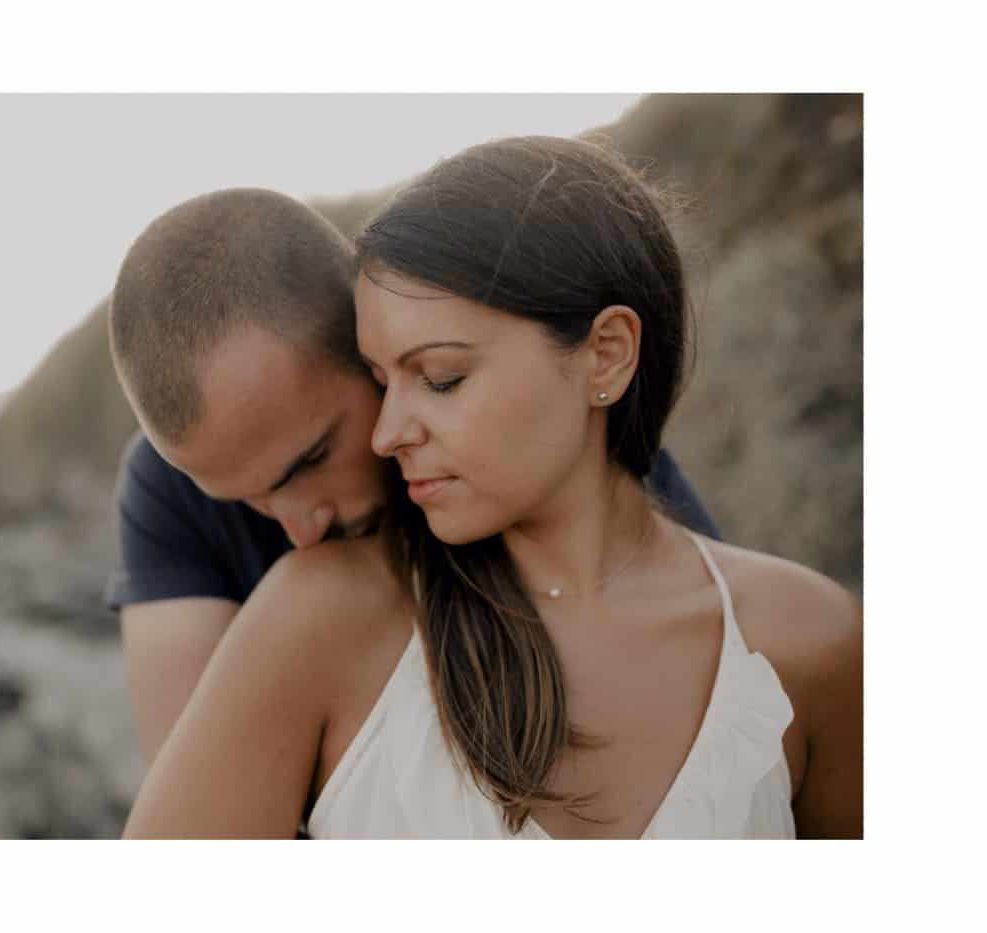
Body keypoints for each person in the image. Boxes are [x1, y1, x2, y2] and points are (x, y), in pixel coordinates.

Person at [118, 135, 862, 839]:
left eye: (437, 377)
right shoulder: (303, 599)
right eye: (391, 381)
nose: (296, 524)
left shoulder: (800, 637)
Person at [106, 186, 720, 774]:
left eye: (311, 460)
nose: (299, 530)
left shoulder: (528, 444)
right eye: (244, 501)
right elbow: (203, 813)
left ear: (370, 345)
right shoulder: (166, 488)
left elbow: (715, 692)